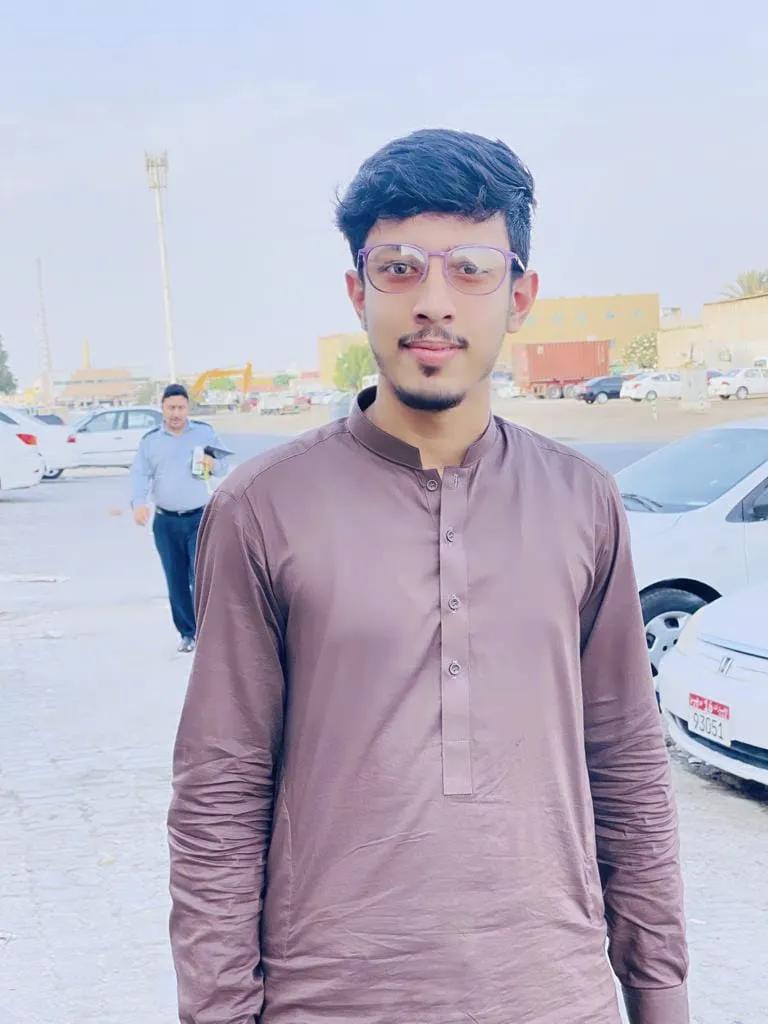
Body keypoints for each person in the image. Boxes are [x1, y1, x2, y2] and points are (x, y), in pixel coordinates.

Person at [168, 130, 689, 1024]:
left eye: (471, 270)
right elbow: (219, 792)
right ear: (358, 291)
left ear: (519, 295)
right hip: (330, 1000)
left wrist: (660, 994)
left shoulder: (583, 501)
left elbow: (628, 764)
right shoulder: (263, 508)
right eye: (400, 268)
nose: (434, 303)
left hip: (555, 996)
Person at [130, 383, 230, 653]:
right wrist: (138, 503)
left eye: (181, 407)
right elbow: (140, 475)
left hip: (200, 519)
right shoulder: (151, 441)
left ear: (188, 408)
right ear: (162, 408)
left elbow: (223, 465)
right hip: (166, 522)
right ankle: (188, 633)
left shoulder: (204, 433)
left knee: (202, 576)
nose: (176, 413)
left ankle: (208, 631)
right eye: (171, 407)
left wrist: (213, 464)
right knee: (176, 580)